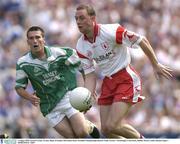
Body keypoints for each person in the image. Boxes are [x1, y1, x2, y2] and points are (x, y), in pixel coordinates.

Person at [75, 4, 173, 138]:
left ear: (93, 18)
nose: (78, 22)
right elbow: (89, 75)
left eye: (82, 18)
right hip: (107, 82)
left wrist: (155, 64)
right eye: (76, 19)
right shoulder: (81, 45)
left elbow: (141, 40)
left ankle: (143, 140)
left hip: (125, 78)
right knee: (106, 130)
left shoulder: (111, 31)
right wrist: (87, 95)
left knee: (112, 125)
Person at [15, 26, 104, 138]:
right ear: (28, 42)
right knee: (72, 138)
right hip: (49, 106)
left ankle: (93, 131)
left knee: (81, 133)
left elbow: (83, 63)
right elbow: (19, 87)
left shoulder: (60, 53)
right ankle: (88, 126)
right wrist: (29, 97)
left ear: (43, 39)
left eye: (37, 37)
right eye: (31, 38)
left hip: (69, 97)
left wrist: (89, 87)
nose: (35, 41)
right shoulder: (23, 63)